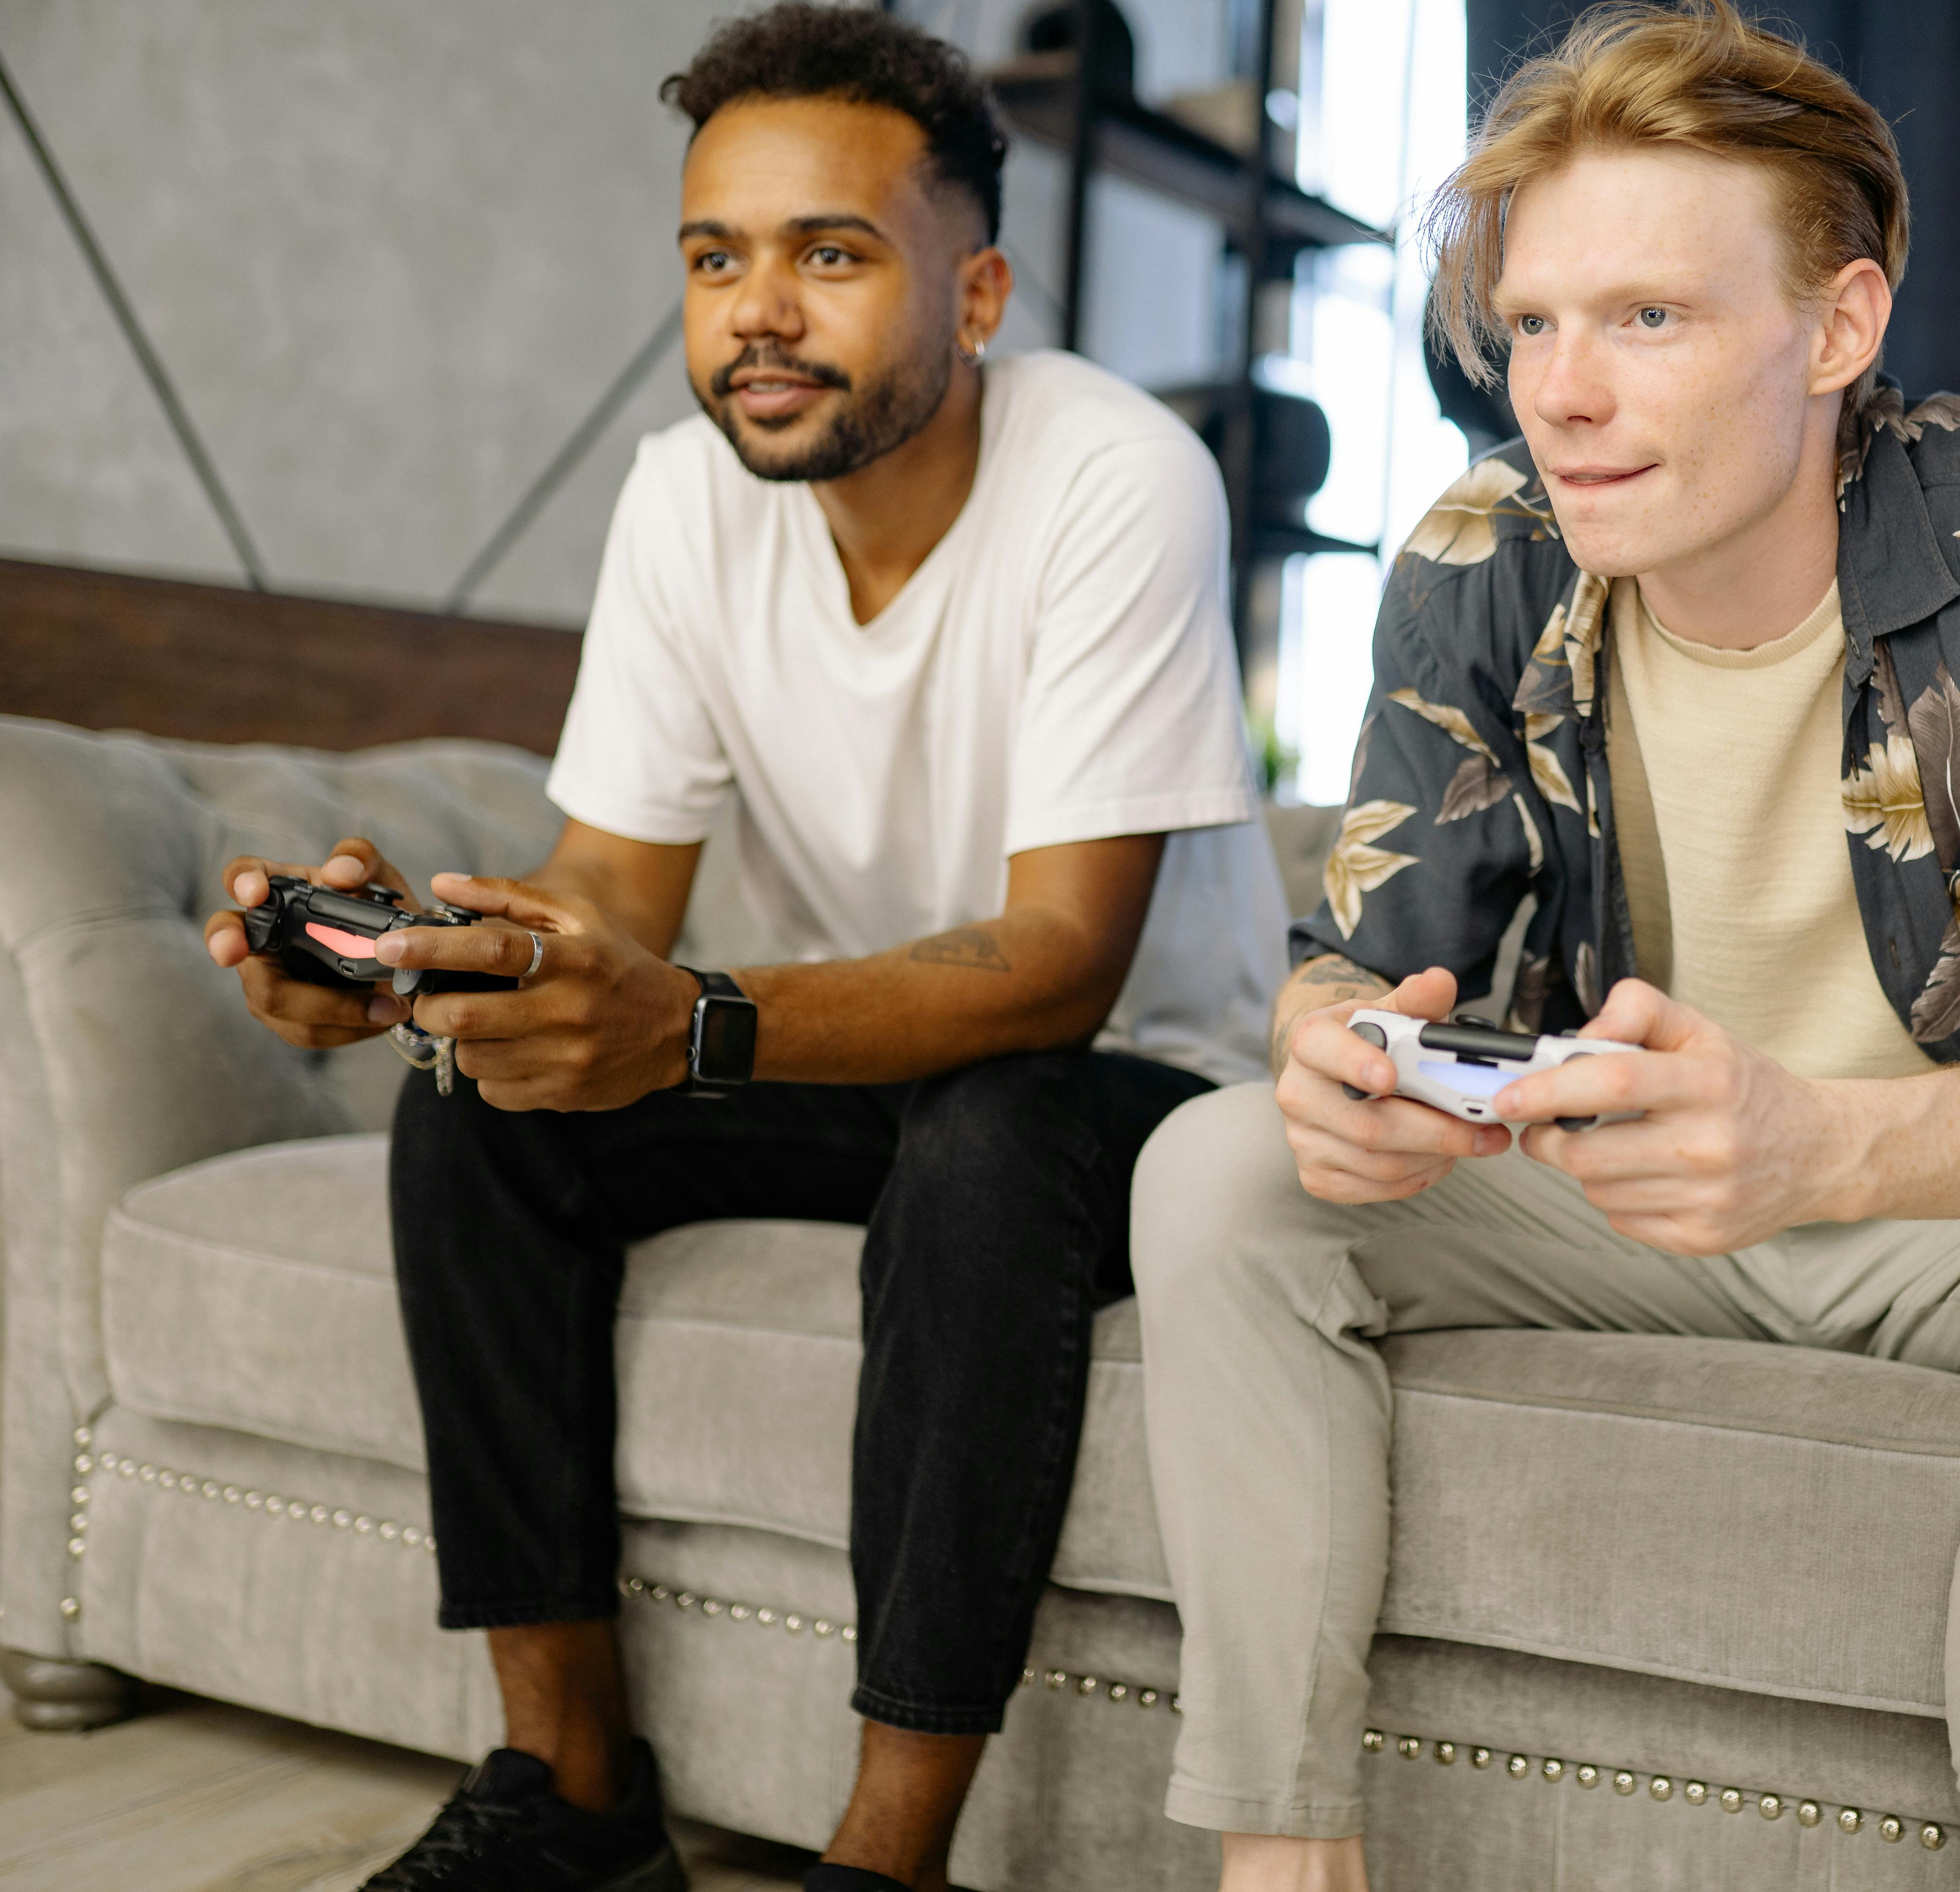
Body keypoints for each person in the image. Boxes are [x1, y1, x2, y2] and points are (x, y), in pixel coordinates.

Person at [1128, 5, 1960, 1890]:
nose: (1562, 394)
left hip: (1945, 1207)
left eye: (1647, 319)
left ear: (1838, 328)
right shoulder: (1476, 554)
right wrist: (1335, 1050)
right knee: (1218, 1169)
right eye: (1532, 327)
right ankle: (1288, 1859)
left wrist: (1818, 1143)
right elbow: (1364, 957)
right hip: (1623, 1190)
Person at [205, 9, 1282, 1889]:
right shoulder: (684, 498)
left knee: (992, 1131)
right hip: (814, 1049)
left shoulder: (1120, 479)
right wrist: (430, 963)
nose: (759, 312)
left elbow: (1059, 964)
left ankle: (885, 1856)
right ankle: (576, 1794)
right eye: (718, 259)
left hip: (1135, 1087)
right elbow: (611, 887)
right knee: (478, 1111)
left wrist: (687, 1024)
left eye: (830, 254)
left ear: (980, 293)